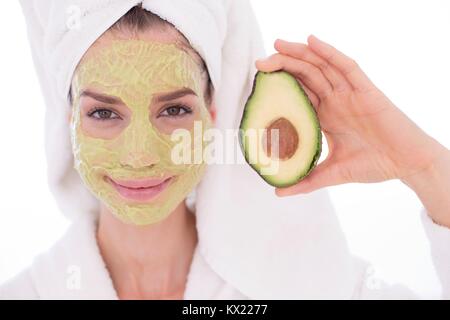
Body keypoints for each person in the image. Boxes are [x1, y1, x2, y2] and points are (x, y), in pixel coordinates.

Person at [1, 0, 448, 299]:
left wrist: (425, 165)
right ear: (69, 119)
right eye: (103, 113)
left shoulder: (308, 284)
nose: (139, 156)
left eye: (174, 109)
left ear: (215, 111)